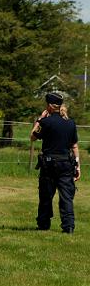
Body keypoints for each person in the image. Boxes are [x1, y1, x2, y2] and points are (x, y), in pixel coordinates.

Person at [30, 92, 80, 234]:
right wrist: (77, 166)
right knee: (66, 196)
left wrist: (40, 119)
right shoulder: (70, 123)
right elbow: (74, 146)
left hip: (49, 164)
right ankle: (68, 226)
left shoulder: (46, 122)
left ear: (49, 106)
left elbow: (33, 137)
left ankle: (44, 223)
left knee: (46, 195)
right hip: (66, 163)